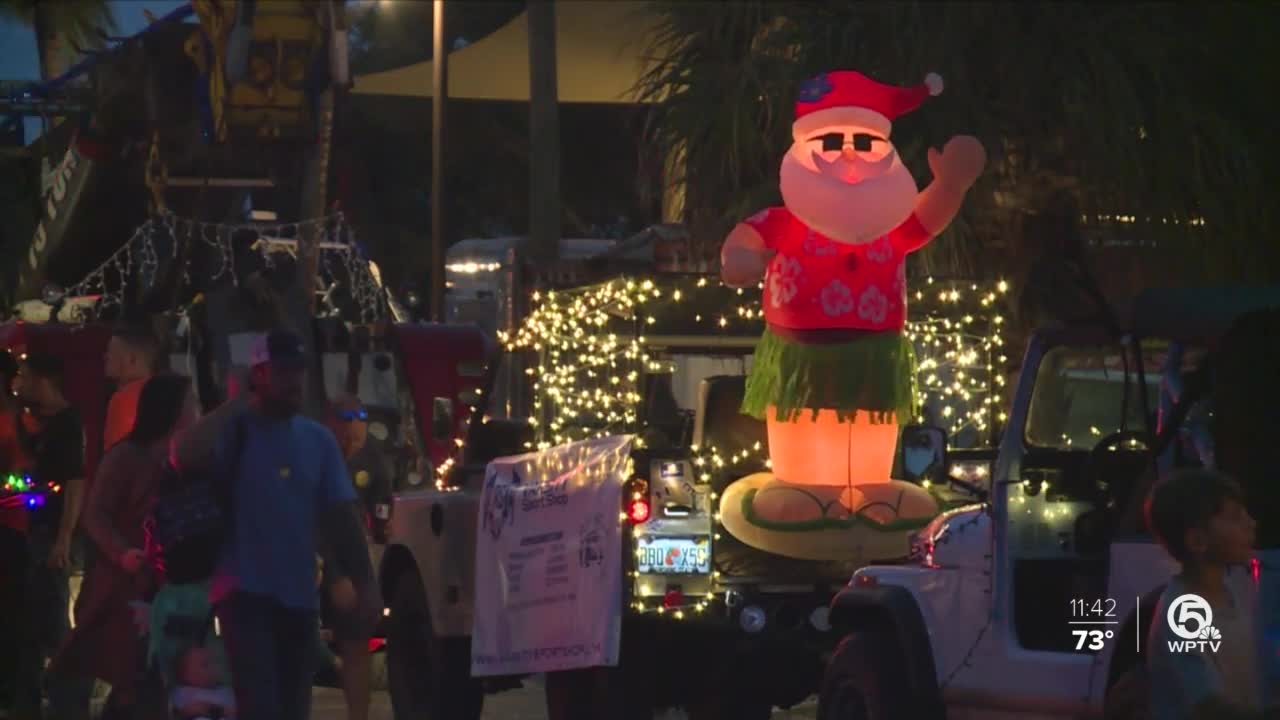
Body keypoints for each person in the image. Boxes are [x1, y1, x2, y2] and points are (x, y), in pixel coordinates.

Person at [176, 329, 373, 720]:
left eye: (298, 371)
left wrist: (364, 582)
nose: (294, 382)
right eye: (282, 372)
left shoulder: (317, 440)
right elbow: (183, 454)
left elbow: (340, 515)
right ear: (259, 375)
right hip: (243, 594)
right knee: (261, 704)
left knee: (294, 705)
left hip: (300, 597)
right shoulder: (235, 431)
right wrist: (237, 403)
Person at [48, 373, 199, 719]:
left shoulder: (184, 458)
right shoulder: (127, 457)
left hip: (165, 586)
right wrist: (124, 554)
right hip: (122, 587)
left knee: (151, 678)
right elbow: (96, 515)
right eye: (191, 403)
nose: (198, 411)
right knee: (125, 673)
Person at [1146, 469, 1271, 719]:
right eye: (1236, 517)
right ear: (1197, 541)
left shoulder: (1235, 591)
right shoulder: (1183, 613)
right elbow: (1207, 706)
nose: (1251, 523)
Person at [8, 352, 86, 719]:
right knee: (29, 618)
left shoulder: (68, 423)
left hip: (49, 535)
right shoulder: (32, 421)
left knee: (52, 619)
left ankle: (62, 701)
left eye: (25, 375)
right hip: (30, 532)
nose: (20, 383)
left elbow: (74, 482)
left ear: (44, 380)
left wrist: (64, 537)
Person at [322, 393, 389, 720]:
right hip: (317, 558)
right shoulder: (318, 455)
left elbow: (381, 502)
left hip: (354, 554)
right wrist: (333, 575)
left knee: (356, 640)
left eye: (359, 418)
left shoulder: (371, 457)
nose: (353, 429)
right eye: (346, 420)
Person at [103, 322, 160, 453]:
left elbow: (116, 459)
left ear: (132, 359)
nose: (105, 356)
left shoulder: (123, 400)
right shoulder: (171, 394)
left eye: (110, 351)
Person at [170, 643, 237, 720]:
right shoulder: (183, 692)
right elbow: (185, 710)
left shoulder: (226, 690)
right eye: (205, 665)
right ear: (188, 675)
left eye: (213, 662)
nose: (213, 667)